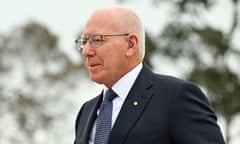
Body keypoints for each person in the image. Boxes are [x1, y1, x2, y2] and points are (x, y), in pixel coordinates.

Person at [74, 6, 225, 144]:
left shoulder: (175, 98)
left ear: (131, 44)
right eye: (84, 41)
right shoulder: (86, 112)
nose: (86, 51)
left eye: (96, 40)